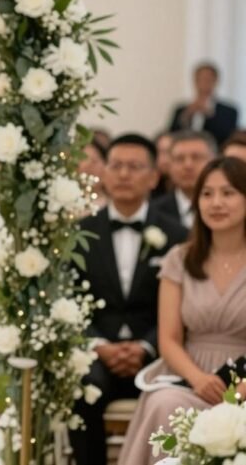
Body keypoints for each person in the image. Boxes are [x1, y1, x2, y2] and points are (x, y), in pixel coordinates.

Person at [118, 157, 246, 464]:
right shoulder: (180, 258)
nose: (216, 203)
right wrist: (198, 379)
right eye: (207, 193)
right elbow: (169, 339)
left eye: (228, 193)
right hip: (190, 374)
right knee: (165, 404)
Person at [68, 134, 186, 465]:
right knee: (82, 387)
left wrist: (147, 346)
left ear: (154, 177)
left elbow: (182, 309)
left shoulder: (177, 235)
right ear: (103, 173)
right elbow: (69, 302)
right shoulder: (79, 233)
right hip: (96, 353)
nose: (123, 175)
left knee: (171, 397)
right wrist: (98, 345)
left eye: (134, 167)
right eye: (116, 166)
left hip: (156, 352)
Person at [152, 130, 217, 229]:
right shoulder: (153, 212)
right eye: (179, 159)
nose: (188, 165)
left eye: (196, 157)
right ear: (169, 165)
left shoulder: (227, 208)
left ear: (214, 162)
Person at [168, 62, 239, 146]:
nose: (203, 83)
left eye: (207, 79)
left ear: (216, 81)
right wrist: (187, 116)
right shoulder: (181, 109)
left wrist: (210, 116)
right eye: (199, 79)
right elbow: (171, 135)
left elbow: (228, 137)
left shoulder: (229, 111)